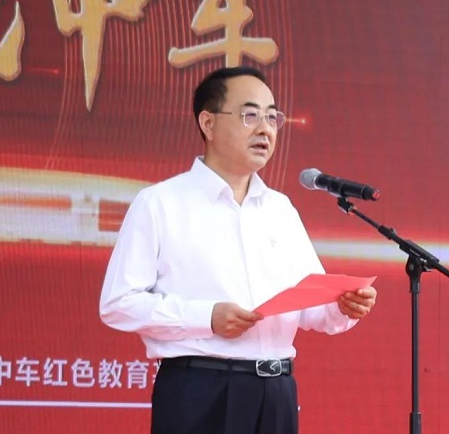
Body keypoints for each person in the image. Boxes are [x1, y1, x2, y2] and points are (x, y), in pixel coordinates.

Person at [99, 66, 377, 434]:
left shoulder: (280, 209)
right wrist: (207, 317)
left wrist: (342, 307)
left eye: (272, 118)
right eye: (250, 115)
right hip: (201, 390)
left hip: (276, 392)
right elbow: (119, 304)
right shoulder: (160, 203)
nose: (265, 129)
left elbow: (311, 309)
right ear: (208, 123)